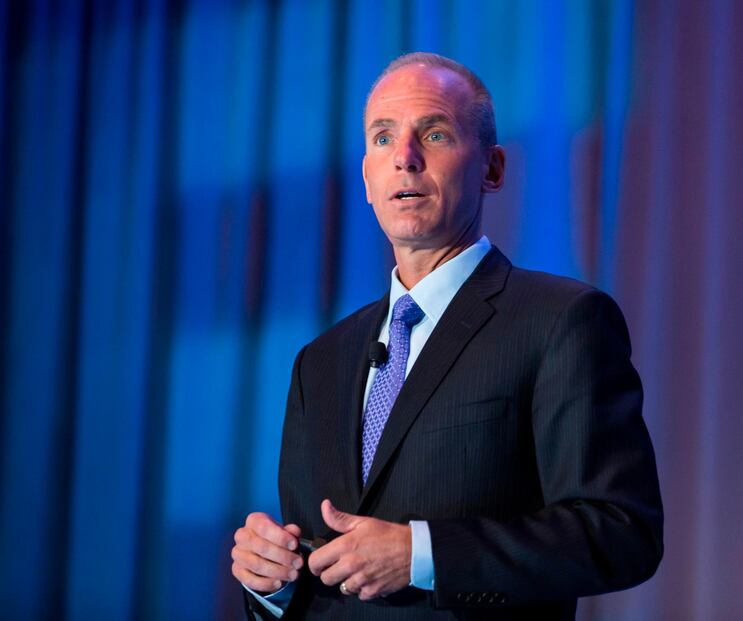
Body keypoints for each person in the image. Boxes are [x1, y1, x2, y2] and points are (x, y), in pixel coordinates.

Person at [231, 52, 663, 621]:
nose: (404, 159)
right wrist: (274, 582)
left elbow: (619, 532)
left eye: (433, 134)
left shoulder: (562, 320)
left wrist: (424, 554)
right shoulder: (320, 360)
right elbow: (324, 565)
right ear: (366, 178)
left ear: (492, 168)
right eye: (383, 139)